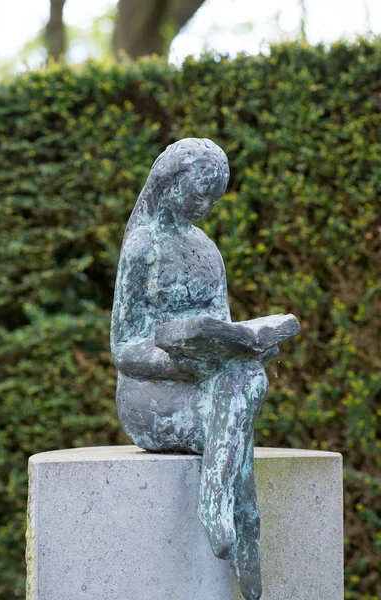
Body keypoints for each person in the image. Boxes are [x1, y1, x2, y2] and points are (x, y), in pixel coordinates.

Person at [111, 138, 299, 600]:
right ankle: (239, 549)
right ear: (170, 184)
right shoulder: (142, 248)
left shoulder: (207, 251)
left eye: (215, 197)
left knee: (249, 376)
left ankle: (216, 500)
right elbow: (122, 349)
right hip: (150, 395)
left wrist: (250, 347)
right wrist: (179, 364)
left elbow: (223, 327)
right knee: (236, 418)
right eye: (200, 193)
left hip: (209, 382)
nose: (207, 206)